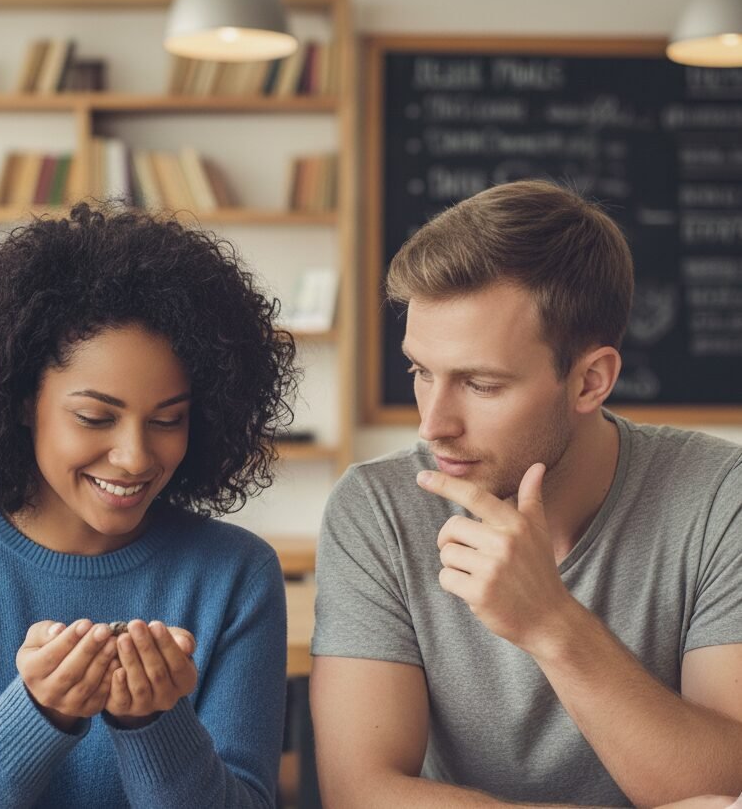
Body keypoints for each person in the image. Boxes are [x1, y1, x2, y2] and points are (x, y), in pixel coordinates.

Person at [0, 204, 298, 808]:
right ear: (22, 399)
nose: (135, 457)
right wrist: (37, 716)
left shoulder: (236, 574)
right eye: (94, 417)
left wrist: (156, 726)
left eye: (169, 420)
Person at [311, 181, 742, 807]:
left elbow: (730, 783)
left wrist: (549, 622)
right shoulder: (376, 509)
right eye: (420, 372)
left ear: (591, 380)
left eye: (480, 384)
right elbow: (360, 792)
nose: (433, 423)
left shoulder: (720, 498)